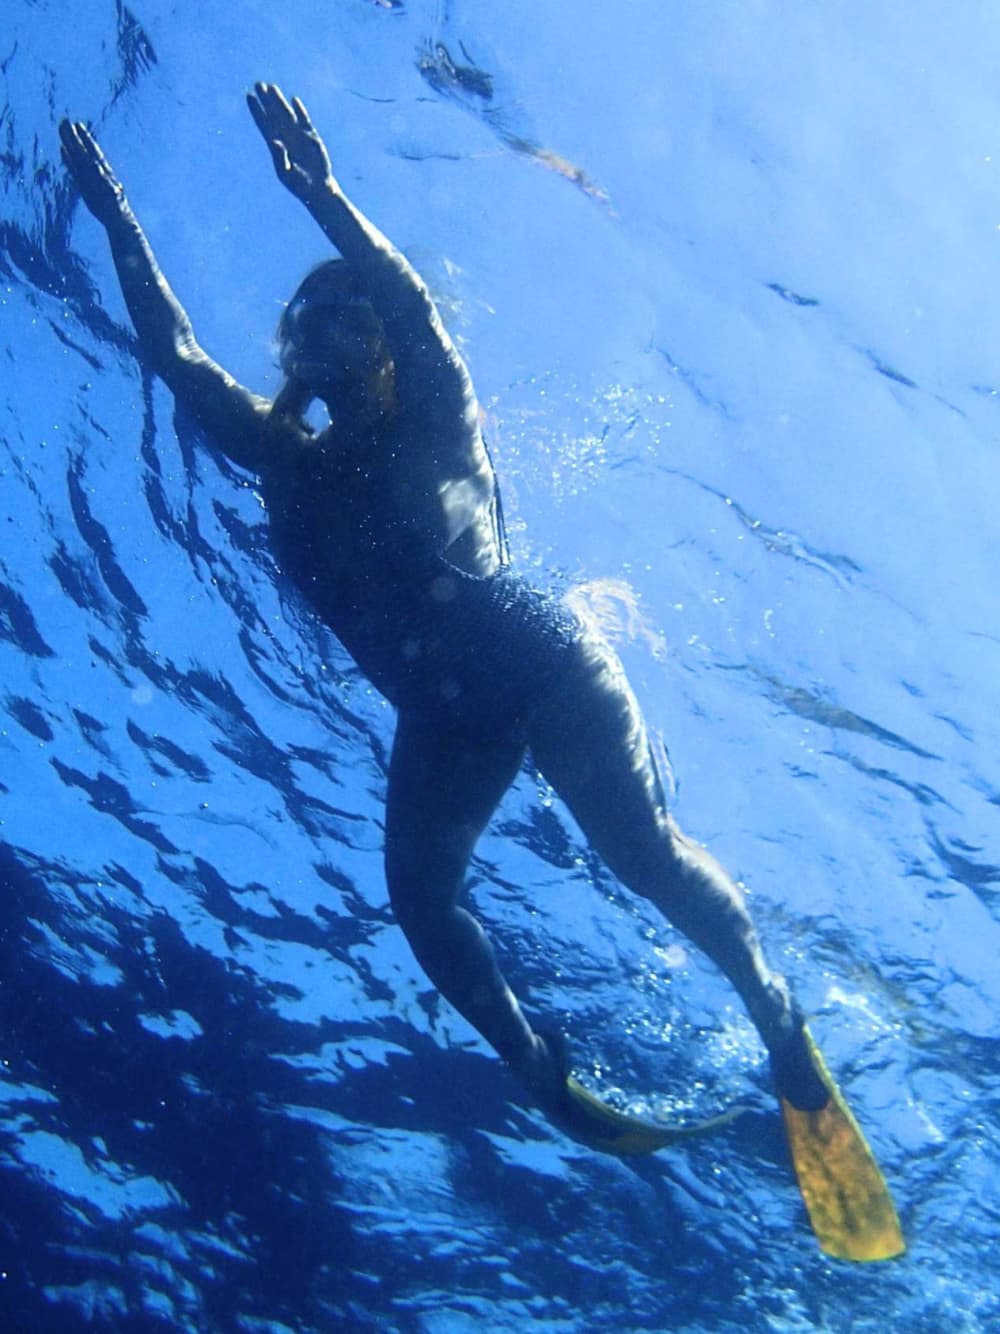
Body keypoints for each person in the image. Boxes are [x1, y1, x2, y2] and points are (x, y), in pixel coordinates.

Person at [58, 84, 830, 1138]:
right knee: (420, 904)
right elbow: (179, 357)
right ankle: (542, 1071)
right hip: (443, 720)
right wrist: (117, 222)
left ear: (381, 341)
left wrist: (324, 196)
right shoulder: (285, 459)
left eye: (350, 313)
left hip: (545, 665)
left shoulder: (438, 411)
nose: (330, 325)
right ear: (293, 346)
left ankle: (774, 1012)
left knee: (639, 856)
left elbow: (412, 300)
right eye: (310, 317)